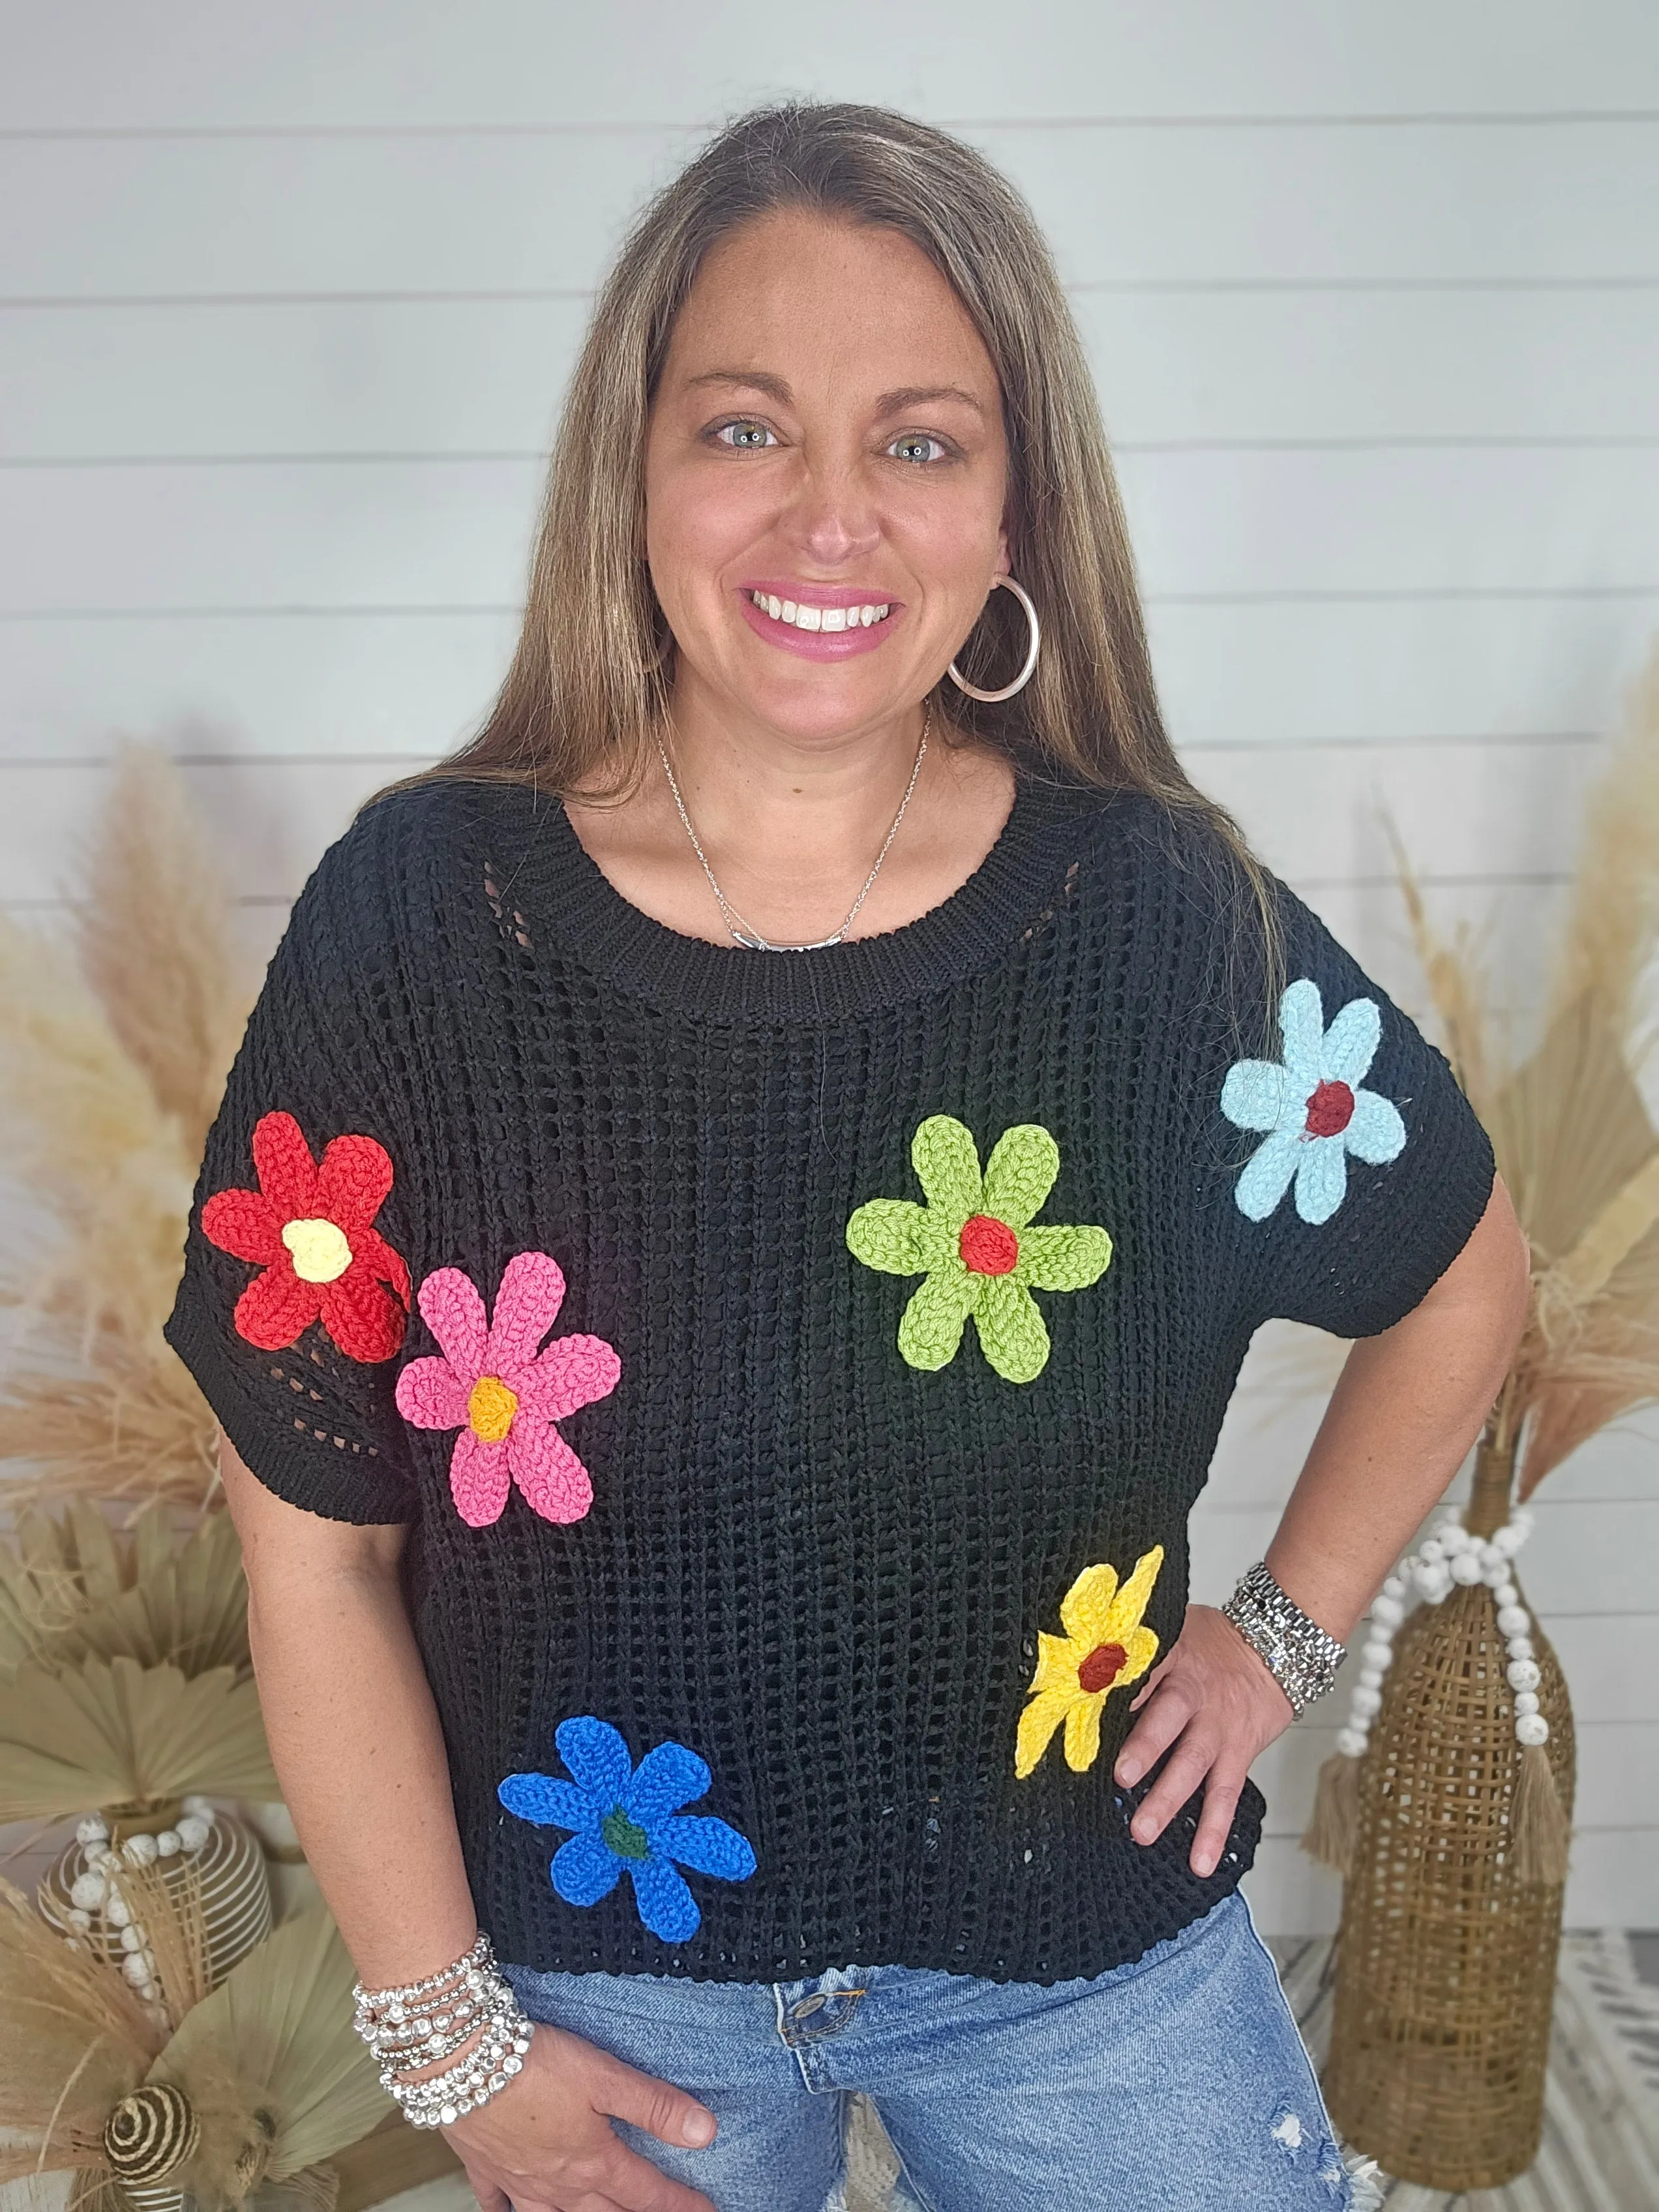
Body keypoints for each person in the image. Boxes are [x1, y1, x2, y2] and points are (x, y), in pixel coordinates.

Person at [164, 102, 1529, 2212]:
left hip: (1082, 1967)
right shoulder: (423, 927)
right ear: (631, 477)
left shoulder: (1161, 927)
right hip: (606, 1992)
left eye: (918, 441)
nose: (829, 518)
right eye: (742, 428)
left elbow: (1460, 1268)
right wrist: (447, 2034)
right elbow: (312, 1546)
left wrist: (1283, 1628)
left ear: (1014, 512)